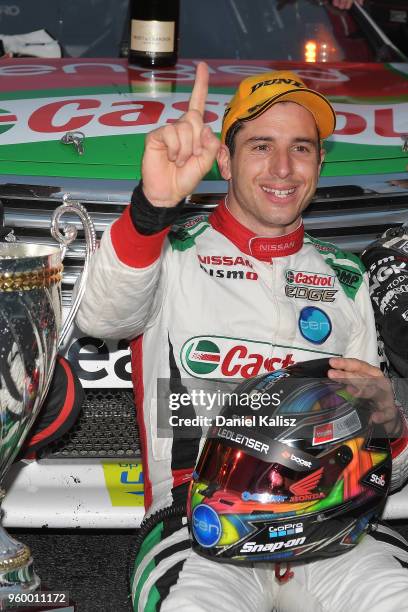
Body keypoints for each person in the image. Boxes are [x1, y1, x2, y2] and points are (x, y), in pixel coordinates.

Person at [76, 63, 408, 611]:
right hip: (199, 525)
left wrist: (390, 425)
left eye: (301, 148)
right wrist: (150, 209)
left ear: (320, 162)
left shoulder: (346, 278)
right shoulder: (170, 252)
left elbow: (386, 472)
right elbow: (99, 317)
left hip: (332, 529)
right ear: (225, 160)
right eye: (260, 146)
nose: (283, 167)